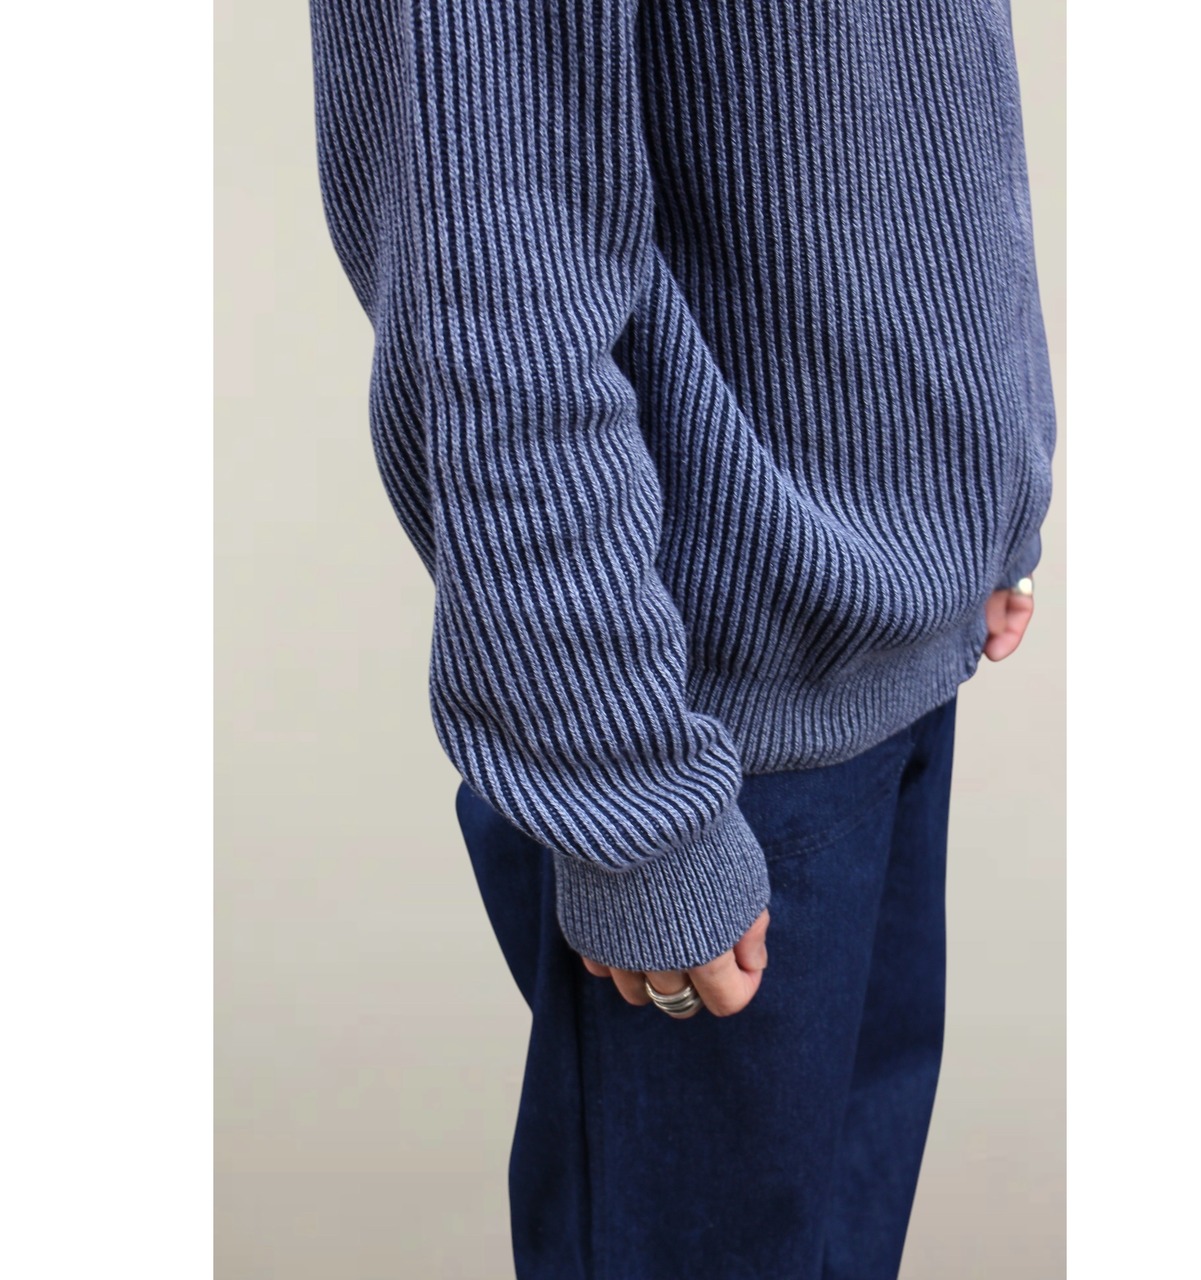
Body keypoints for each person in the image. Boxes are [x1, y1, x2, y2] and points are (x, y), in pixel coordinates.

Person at [308, 2, 1055, 1276]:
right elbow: (491, 285)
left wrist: (991, 486)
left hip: (893, 655)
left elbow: (934, 81)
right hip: (702, 736)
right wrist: (627, 792)